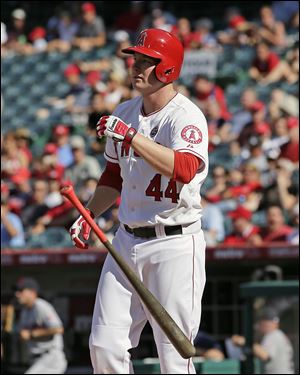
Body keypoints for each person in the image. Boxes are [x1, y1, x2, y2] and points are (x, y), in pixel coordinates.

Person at [70, 28, 209, 374]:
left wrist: (132, 138)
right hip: (126, 240)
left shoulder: (186, 116)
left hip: (174, 243)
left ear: (168, 69)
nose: (136, 68)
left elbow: (185, 168)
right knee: (104, 345)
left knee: (175, 359)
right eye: (135, 60)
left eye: (147, 61)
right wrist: (88, 214)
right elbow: (113, 176)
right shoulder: (126, 111)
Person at [13, 277, 68, 374]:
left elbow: (59, 329)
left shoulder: (41, 306)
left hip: (51, 357)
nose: (17, 294)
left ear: (32, 292)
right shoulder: (24, 311)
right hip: (36, 359)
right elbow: (22, 334)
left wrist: (32, 334)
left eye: (21, 290)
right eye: (17, 291)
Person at [231, 308, 294, 374]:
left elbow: (264, 355)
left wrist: (245, 341)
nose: (259, 325)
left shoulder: (272, 335)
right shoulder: (279, 334)